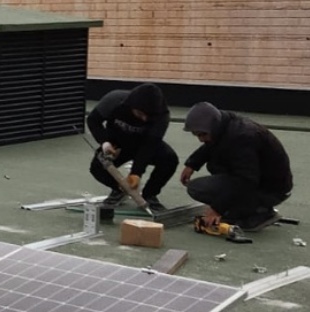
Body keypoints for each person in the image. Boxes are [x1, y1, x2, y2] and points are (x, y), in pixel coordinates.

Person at [180, 102, 292, 230]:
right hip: (264, 182)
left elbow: (246, 180)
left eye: (202, 134)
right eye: (196, 135)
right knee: (214, 168)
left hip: (270, 190)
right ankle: (243, 208)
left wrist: (217, 209)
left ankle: (259, 211)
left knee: (198, 188)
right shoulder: (225, 126)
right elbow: (211, 145)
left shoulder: (242, 138)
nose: (200, 139)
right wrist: (192, 164)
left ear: (214, 127)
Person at [86, 83, 179, 214]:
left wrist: (136, 172)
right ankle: (119, 189)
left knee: (169, 159)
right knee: (97, 167)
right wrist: (105, 142)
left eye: (149, 116)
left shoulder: (162, 115)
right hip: (117, 144)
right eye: (140, 113)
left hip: (143, 145)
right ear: (131, 105)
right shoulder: (114, 100)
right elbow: (93, 120)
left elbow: (150, 145)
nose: (144, 119)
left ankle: (149, 195)